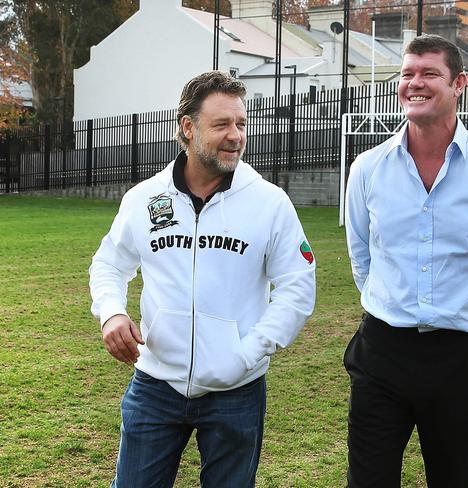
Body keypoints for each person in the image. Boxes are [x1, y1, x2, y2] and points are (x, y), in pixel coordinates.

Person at [89, 70, 316, 488]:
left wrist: (248, 353)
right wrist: (111, 314)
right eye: (221, 125)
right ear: (188, 128)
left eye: (242, 124)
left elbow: (298, 286)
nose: (236, 136)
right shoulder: (145, 198)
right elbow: (109, 264)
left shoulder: (269, 202)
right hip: (155, 385)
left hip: (237, 390)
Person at [344, 34, 468, 487]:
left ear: (459, 83)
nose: (415, 83)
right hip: (382, 354)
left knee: (454, 478)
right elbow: (361, 255)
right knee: (367, 480)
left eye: (430, 73)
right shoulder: (368, 168)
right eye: (408, 73)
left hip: (463, 359)